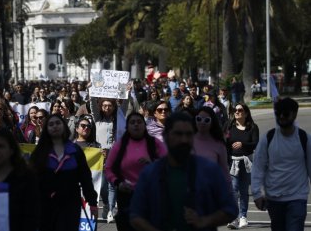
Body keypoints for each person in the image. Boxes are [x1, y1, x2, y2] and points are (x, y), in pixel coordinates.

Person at [130, 112, 238, 231]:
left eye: (189, 134)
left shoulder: (210, 171)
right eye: (178, 134)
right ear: (165, 136)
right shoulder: (150, 173)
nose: (184, 140)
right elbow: (136, 215)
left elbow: (230, 209)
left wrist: (204, 221)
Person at [29, 114, 98, 231]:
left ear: (64, 127)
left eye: (58, 123)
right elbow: (31, 180)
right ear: (46, 129)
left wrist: (92, 203)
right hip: (45, 205)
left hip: (70, 204)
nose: (55, 126)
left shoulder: (75, 150)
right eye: (51, 124)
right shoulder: (39, 152)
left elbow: (85, 178)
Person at [251, 97, 311, 231]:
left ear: (294, 114)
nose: (281, 116)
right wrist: (256, 194)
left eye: (285, 113)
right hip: (274, 199)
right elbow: (258, 167)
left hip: (297, 198)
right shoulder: (268, 138)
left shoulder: (304, 138)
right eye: (278, 113)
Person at [105, 112, 167, 231]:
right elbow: (108, 169)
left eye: (139, 122)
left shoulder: (155, 143)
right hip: (126, 195)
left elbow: (168, 165)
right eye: (132, 122)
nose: (136, 125)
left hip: (151, 195)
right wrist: (118, 183)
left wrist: (153, 163)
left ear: (145, 125)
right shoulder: (119, 145)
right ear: (127, 127)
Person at [224, 103, 259, 229]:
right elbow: (224, 142)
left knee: (244, 190)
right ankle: (234, 217)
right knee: (233, 190)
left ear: (246, 113)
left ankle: (243, 216)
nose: (237, 112)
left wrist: (242, 144)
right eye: (235, 110)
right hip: (233, 162)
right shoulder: (229, 126)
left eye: (240, 110)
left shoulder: (253, 127)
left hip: (247, 162)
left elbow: (255, 143)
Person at [193, 106, 230, 181]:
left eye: (206, 120)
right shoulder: (187, 140)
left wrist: (229, 191)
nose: (202, 122)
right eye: (199, 119)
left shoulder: (219, 144)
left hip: (212, 190)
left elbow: (225, 172)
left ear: (212, 122)